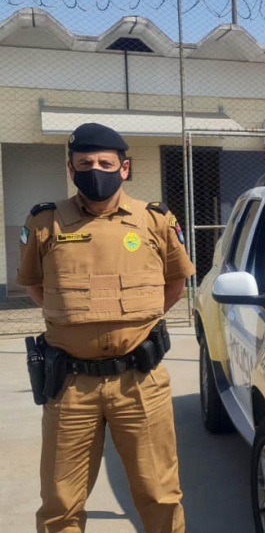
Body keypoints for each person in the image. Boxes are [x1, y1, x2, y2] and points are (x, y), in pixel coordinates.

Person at [18, 123, 195, 532]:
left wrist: (136, 324)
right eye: (85, 163)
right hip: (69, 385)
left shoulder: (155, 220)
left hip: (140, 380)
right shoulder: (45, 222)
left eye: (104, 163)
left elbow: (175, 284)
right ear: (71, 168)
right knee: (60, 503)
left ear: (125, 167)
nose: (95, 170)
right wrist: (79, 321)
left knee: (160, 496)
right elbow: (35, 287)